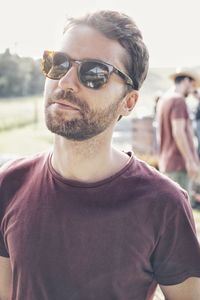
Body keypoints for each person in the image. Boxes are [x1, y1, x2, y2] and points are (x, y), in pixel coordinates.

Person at [0, 11, 200, 300]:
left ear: (128, 102)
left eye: (94, 73)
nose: (66, 82)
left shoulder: (164, 204)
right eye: (58, 64)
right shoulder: (9, 185)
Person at [157, 67, 200, 195]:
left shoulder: (164, 100)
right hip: (179, 164)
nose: (193, 90)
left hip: (167, 163)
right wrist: (190, 161)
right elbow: (178, 132)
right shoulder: (178, 100)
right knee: (182, 210)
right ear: (187, 81)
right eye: (193, 85)